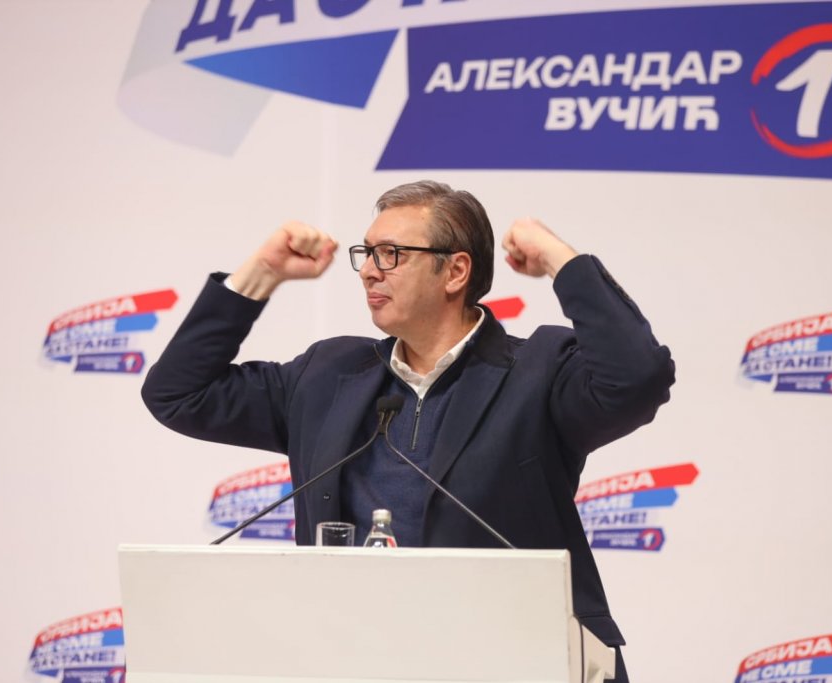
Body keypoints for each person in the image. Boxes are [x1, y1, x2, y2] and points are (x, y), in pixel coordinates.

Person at [141, 180, 675, 681]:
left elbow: (638, 378)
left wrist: (560, 260)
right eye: (367, 253)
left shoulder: (539, 371)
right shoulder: (328, 375)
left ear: (455, 271)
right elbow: (178, 395)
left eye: (391, 254)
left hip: (514, 660)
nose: (369, 272)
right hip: (359, 661)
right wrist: (260, 273)